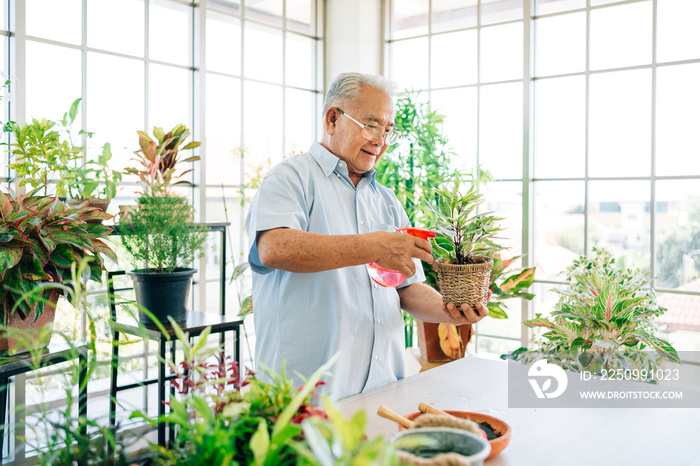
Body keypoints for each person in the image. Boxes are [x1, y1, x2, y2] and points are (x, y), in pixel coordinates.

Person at [245, 72, 490, 399]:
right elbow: (274, 248)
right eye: (372, 125)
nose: (381, 140)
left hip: (383, 391)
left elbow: (406, 288)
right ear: (332, 119)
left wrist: (449, 310)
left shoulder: (387, 201)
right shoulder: (290, 178)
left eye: (389, 130)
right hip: (304, 400)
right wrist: (373, 247)